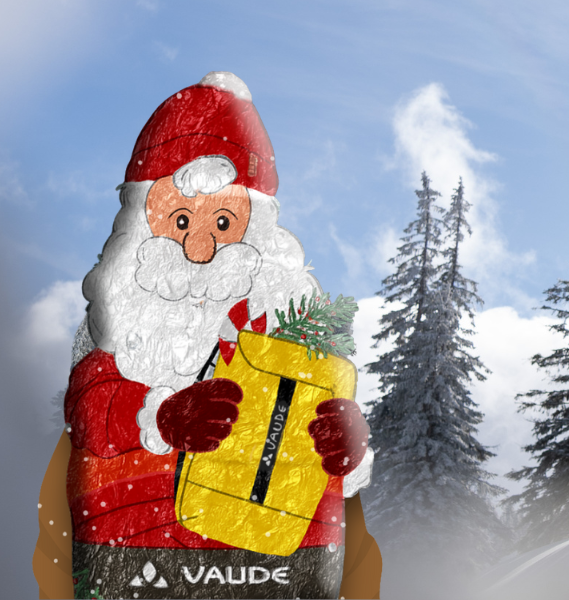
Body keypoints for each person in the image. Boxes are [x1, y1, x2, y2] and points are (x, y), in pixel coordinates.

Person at [31, 72, 381, 599]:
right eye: (178, 220)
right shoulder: (123, 332)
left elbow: (319, 477)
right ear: (142, 224)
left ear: (257, 229)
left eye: (222, 223)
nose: (199, 250)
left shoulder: (292, 336)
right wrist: (161, 415)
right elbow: (93, 407)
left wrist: (342, 452)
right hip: (140, 563)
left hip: (279, 569)